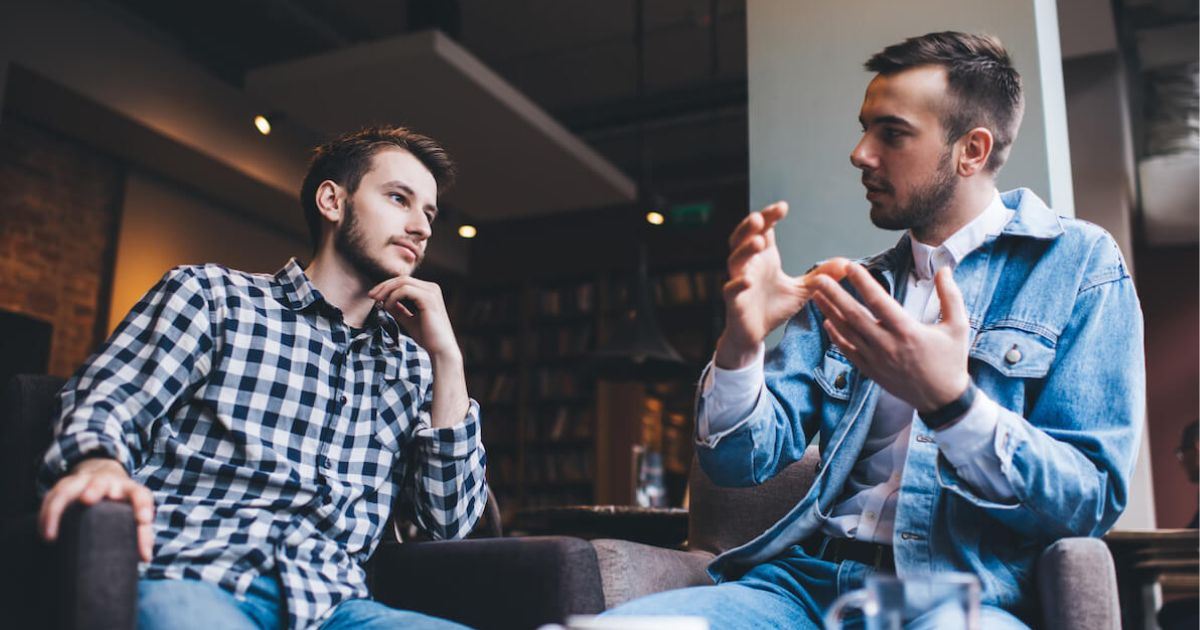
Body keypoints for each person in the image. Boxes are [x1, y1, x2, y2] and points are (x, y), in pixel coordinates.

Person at [606, 31, 1145, 628]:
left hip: (958, 598)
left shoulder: (1079, 265)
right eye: (865, 128)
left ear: (971, 150)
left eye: (891, 133)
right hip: (802, 588)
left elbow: (1089, 500)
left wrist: (954, 405)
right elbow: (738, 465)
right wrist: (741, 344)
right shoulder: (849, 287)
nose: (860, 153)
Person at [36, 126, 487, 629]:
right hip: (196, 575)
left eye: (429, 215)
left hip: (335, 608)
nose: (422, 228)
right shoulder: (210, 297)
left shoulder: (411, 365)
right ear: (332, 201)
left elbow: (447, 525)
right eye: (398, 199)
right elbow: (104, 401)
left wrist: (447, 358)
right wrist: (98, 463)